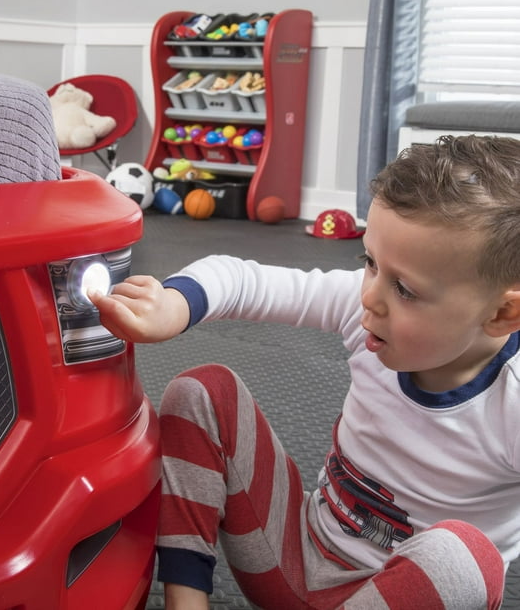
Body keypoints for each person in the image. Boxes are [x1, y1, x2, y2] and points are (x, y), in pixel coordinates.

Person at [89, 135, 520, 609]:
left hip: (404, 597)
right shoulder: (367, 306)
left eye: (406, 290)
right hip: (294, 561)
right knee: (202, 391)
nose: (370, 297)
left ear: (501, 315)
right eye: (370, 262)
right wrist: (172, 305)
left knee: (465, 558)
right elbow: (240, 278)